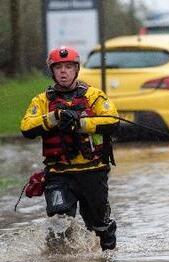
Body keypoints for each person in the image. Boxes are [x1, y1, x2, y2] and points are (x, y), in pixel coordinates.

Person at [20, 46, 120, 251]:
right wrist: (54, 118)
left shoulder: (94, 95)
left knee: (99, 225)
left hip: (92, 172)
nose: (63, 71)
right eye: (58, 67)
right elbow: (26, 127)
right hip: (59, 174)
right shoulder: (41, 101)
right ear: (52, 71)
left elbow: (112, 122)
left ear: (76, 69)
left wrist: (81, 123)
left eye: (68, 67)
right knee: (58, 224)